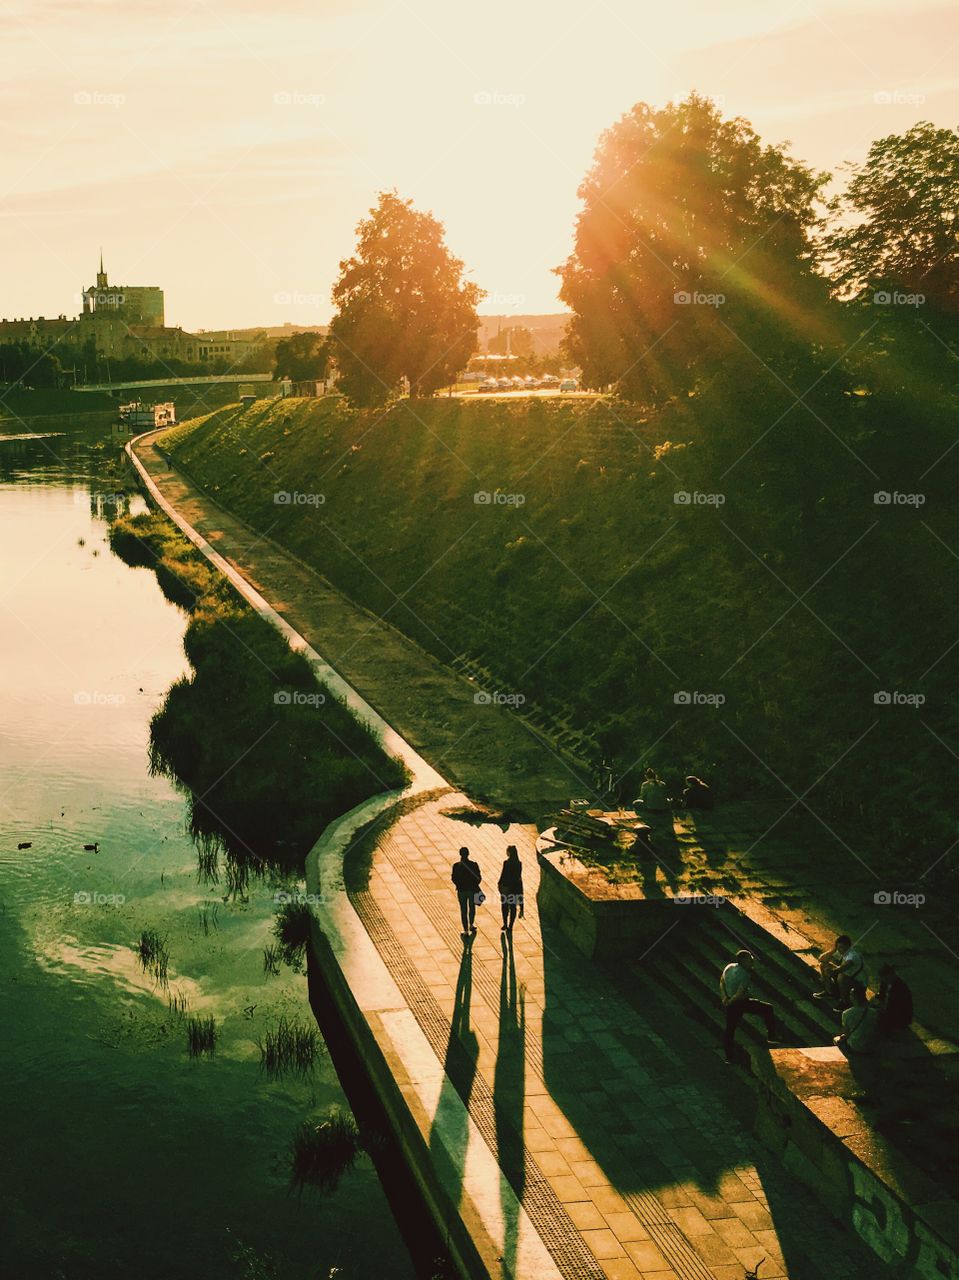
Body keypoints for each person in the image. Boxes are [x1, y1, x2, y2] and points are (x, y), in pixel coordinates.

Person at [720, 950, 779, 1060]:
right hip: (740, 1003)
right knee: (768, 1009)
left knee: (730, 1030)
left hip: (731, 1001)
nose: (752, 961)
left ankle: (729, 1057)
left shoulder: (729, 967)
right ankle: (772, 1036)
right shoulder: (745, 975)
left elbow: (722, 981)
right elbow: (739, 993)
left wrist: (724, 997)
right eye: (750, 959)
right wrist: (731, 1001)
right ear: (743, 961)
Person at [815, 934, 865, 1006]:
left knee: (841, 977)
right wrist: (833, 949)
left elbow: (844, 967)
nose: (840, 950)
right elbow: (821, 959)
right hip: (847, 976)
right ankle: (830, 992)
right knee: (823, 966)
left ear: (848, 946)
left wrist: (832, 971)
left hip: (858, 981)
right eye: (838, 947)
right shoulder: (841, 951)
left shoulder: (852, 955)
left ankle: (844, 1002)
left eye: (841, 947)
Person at [835, 982, 880, 1054]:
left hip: (855, 1045)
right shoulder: (874, 1012)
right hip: (870, 1045)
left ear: (853, 997)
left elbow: (847, 1033)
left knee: (836, 1039)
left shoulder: (847, 1013)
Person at [451, 846, 483, 936]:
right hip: (472, 890)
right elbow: (479, 877)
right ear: (468, 854)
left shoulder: (456, 866)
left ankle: (465, 930)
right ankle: (471, 924)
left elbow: (453, 878)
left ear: (460, 854)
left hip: (461, 890)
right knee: (472, 907)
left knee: (463, 909)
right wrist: (474, 884)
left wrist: (458, 884)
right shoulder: (474, 865)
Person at [875, 963, 913, 1034]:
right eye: (883, 979)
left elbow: (895, 1006)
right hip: (890, 1009)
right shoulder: (885, 983)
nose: (885, 981)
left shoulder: (900, 988)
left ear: (892, 975)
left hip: (899, 1014)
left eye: (886, 978)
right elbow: (881, 995)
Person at [497, 844, 525, 934]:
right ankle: (510, 926)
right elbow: (518, 876)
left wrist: (499, 883)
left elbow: (503, 874)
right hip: (515, 888)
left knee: (504, 906)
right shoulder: (519, 863)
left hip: (506, 887)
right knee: (513, 908)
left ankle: (505, 923)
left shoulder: (506, 863)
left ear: (509, 853)